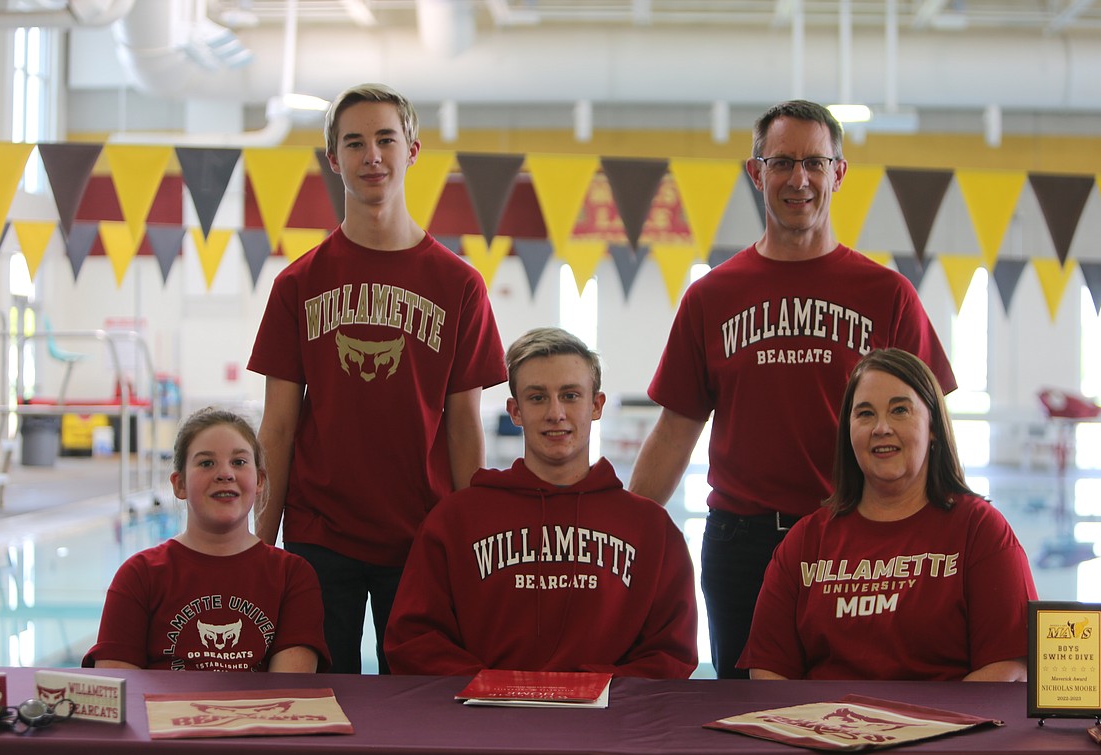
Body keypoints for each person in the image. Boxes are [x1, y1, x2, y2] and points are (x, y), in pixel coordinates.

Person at [628, 99, 957, 679]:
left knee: (857, 706)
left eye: (813, 162)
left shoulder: (887, 295)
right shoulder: (712, 297)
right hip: (741, 543)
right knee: (745, 722)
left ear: (838, 172)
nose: (798, 179)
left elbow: (929, 430)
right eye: (781, 162)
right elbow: (675, 431)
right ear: (756, 173)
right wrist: (623, 533)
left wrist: (956, 533)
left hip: (857, 538)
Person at [248, 83, 507, 674]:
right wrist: (260, 546)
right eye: (355, 143)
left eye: (386, 140)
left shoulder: (460, 285)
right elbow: (279, 427)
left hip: (423, 534)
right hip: (318, 534)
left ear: (412, 150)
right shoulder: (298, 285)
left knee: (418, 712)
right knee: (315, 711)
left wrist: (470, 541)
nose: (372, 156)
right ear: (333, 159)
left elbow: (465, 429)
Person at [384, 328, 698, 678]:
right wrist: (491, 687)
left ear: (596, 406)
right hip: (482, 723)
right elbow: (413, 639)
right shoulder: (456, 520)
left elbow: (672, 652)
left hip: (608, 725)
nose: (555, 413)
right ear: (515, 412)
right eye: (537, 398)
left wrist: (595, 689)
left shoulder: (650, 528)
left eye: (570, 395)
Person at [739, 349, 1036, 680]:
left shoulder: (980, 531)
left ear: (933, 426)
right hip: (825, 729)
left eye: (900, 410)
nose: (881, 427)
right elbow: (768, 670)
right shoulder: (806, 541)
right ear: (848, 431)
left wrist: (929, 729)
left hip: (947, 730)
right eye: (865, 414)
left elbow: (1006, 667)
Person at [83, 408, 329, 672]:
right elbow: (119, 692)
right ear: (180, 485)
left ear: (259, 480)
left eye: (239, 462)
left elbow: (290, 695)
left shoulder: (292, 577)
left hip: (259, 715)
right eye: (206, 463)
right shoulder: (139, 576)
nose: (225, 474)